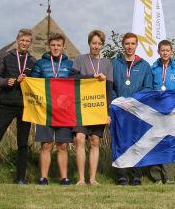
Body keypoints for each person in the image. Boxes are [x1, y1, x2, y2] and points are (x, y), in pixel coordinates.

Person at [0, 29, 36, 185]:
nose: (25, 43)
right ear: (17, 40)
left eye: (27, 41)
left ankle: (20, 178)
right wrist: (6, 82)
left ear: (30, 43)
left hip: (25, 107)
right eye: (22, 40)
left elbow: (39, 82)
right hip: (7, 105)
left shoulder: (33, 61)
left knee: (23, 143)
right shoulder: (5, 57)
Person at [31, 33, 74, 185]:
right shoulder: (40, 63)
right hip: (45, 110)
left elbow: (77, 84)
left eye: (59, 45)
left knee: (63, 145)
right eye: (53, 45)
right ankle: (43, 177)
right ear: (49, 46)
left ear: (63, 47)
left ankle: (64, 178)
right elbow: (33, 82)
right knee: (46, 144)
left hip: (64, 111)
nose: (56, 48)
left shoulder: (70, 64)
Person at [72, 30, 113, 186]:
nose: (96, 46)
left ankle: (93, 179)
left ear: (102, 45)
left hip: (98, 108)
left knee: (95, 141)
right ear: (89, 43)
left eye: (99, 44)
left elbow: (109, 90)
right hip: (81, 107)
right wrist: (91, 77)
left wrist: (108, 113)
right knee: (80, 139)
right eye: (93, 43)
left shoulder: (107, 64)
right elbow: (72, 78)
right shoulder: (80, 59)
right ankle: (81, 179)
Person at [112, 32, 153, 185]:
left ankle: (136, 175)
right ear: (123, 45)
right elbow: (111, 86)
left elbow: (148, 87)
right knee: (121, 141)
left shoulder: (144, 65)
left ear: (136, 45)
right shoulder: (115, 63)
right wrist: (118, 101)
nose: (130, 46)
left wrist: (134, 101)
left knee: (137, 141)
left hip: (137, 110)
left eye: (132, 44)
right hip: (120, 109)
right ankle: (121, 174)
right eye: (127, 43)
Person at [149, 39, 175, 184]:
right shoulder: (153, 69)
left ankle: (169, 177)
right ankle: (156, 177)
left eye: (167, 50)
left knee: (170, 142)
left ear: (171, 52)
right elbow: (149, 90)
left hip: (172, 111)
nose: (165, 53)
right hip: (156, 111)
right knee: (156, 142)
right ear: (158, 52)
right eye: (162, 50)